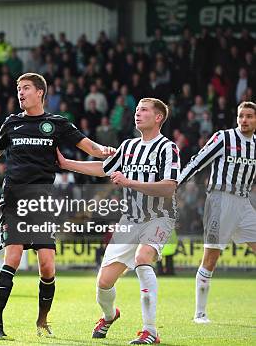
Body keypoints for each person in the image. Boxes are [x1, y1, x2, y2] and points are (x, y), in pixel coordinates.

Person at [0, 72, 115, 340]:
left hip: (43, 199)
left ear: (40, 93)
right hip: (14, 197)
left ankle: (42, 321)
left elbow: (88, 146)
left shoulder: (55, 124)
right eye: (18, 89)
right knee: (12, 257)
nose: (20, 93)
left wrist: (105, 150)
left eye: (25, 88)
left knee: (47, 266)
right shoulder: (11, 123)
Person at [57, 98, 180, 345]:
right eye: (136, 110)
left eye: (143, 110)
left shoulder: (168, 148)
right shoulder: (128, 146)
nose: (137, 114)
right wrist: (67, 164)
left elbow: (168, 188)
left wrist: (129, 182)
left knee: (143, 259)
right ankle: (109, 315)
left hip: (159, 217)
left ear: (158, 118)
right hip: (130, 220)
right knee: (103, 283)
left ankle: (150, 331)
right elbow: (103, 168)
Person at [176, 101, 256, 324]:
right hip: (220, 201)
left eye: (249, 116)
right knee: (211, 258)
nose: (244, 120)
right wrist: (175, 185)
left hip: (244, 204)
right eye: (241, 116)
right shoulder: (224, 138)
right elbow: (197, 162)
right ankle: (200, 314)